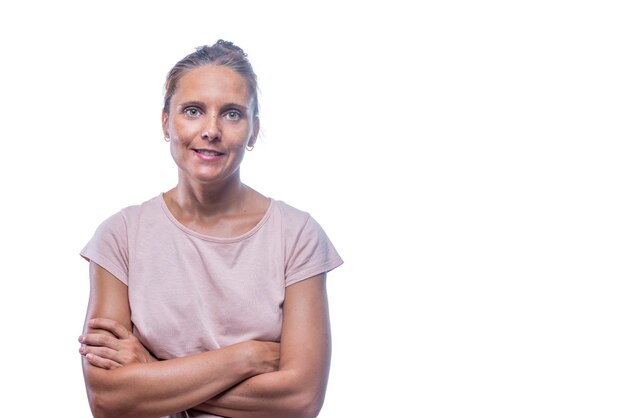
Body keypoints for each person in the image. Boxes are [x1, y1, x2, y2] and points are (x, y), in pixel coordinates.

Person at [78, 40, 343, 418]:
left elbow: (301, 399)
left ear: (253, 131)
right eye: (193, 111)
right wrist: (247, 357)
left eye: (233, 114)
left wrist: (152, 371)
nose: (211, 130)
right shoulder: (120, 236)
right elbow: (108, 400)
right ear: (167, 121)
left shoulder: (296, 234)